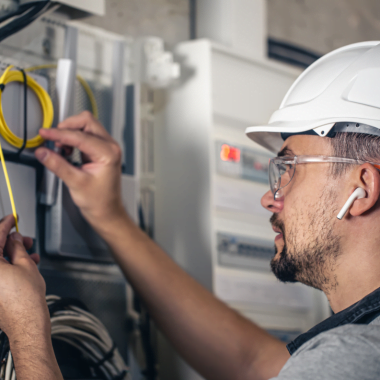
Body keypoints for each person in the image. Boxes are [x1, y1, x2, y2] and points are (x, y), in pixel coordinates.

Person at [2, 40, 380, 380]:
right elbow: (252, 363)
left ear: (362, 187)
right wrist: (110, 216)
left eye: (290, 169)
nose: (270, 198)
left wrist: (26, 327)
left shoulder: (353, 357)